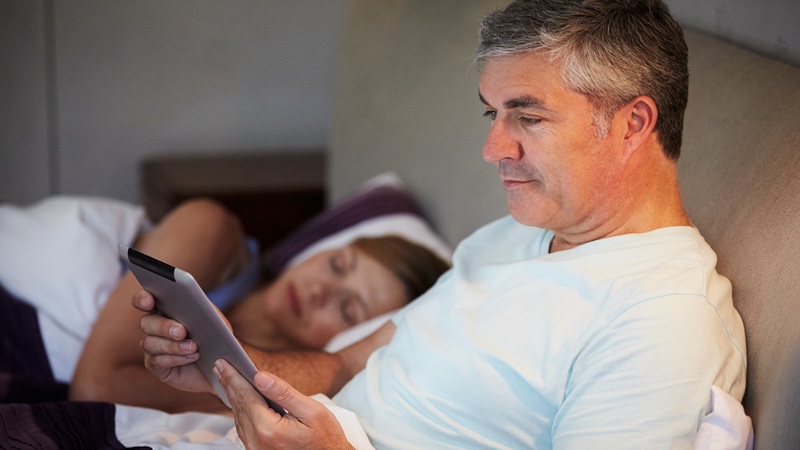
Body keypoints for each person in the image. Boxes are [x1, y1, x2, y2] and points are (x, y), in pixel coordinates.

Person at [135, 0, 747, 448]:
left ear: (633, 125)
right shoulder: (517, 234)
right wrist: (223, 368)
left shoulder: (663, 319)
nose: (493, 148)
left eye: (527, 117)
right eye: (493, 113)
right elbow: (350, 365)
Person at [0, 195, 448, 414]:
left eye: (348, 310)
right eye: (336, 265)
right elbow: (95, 389)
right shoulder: (213, 230)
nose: (319, 290)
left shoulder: (272, 380)